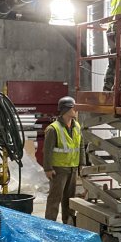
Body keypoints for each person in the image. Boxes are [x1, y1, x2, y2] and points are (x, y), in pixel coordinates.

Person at [44, 96, 84, 224]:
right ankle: (50, 225)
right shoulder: (53, 129)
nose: (76, 110)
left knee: (70, 199)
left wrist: (81, 165)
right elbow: (47, 151)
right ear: (66, 109)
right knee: (55, 199)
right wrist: (48, 169)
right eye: (74, 108)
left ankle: (68, 224)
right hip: (58, 169)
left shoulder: (77, 126)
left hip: (73, 168)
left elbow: (80, 146)